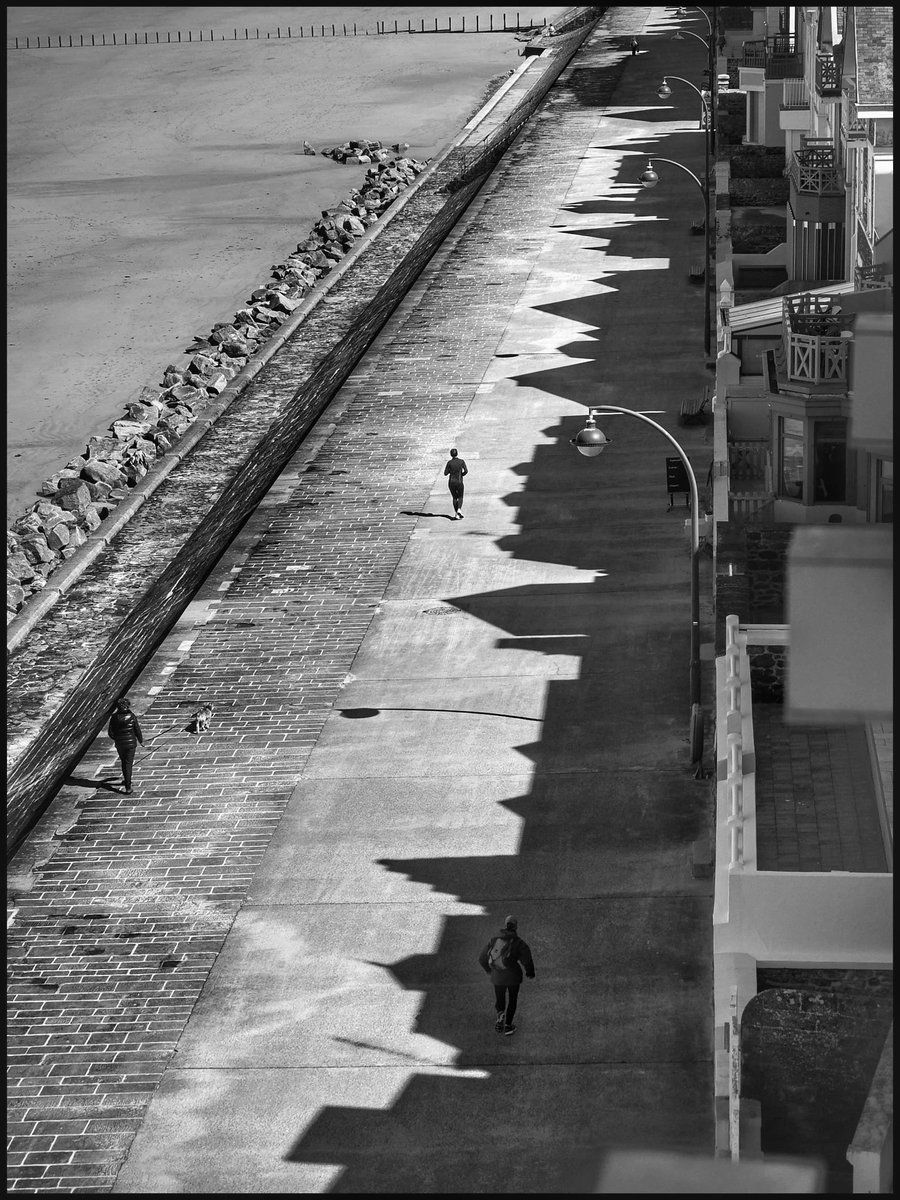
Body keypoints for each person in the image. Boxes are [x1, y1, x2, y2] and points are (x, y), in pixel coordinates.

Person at [478, 915, 535, 1036]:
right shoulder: (519, 943)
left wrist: (489, 971)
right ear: (516, 927)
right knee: (512, 1000)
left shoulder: (494, 940)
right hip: (514, 978)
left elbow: (482, 958)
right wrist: (530, 973)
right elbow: (527, 960)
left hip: (497, 977)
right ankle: (508, 1026)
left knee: (500, 998)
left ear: (505, 925)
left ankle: (500, 1016)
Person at [108, 697, 143, 795]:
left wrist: (117, 738)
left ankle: (126, 780)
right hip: (131, 743)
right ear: (127, 706)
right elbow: (137, 730)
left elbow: (110, 732)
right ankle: (128, 786)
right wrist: (141, 740)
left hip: (120, 744)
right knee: (128, 763)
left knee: (124, 762)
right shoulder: (131, 716)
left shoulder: (114, 717)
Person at [443, 448, 468, 520]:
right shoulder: (461, 461)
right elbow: (466, 471)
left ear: (451, 455)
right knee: (460, 497)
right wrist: (461, 475)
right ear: (457, 453)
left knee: (454, 497)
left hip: (451, 482)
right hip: (459, 481)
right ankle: (459, 509)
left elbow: (445, 473)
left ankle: (456, 514)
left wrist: (450, 471)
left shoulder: (449, 463)